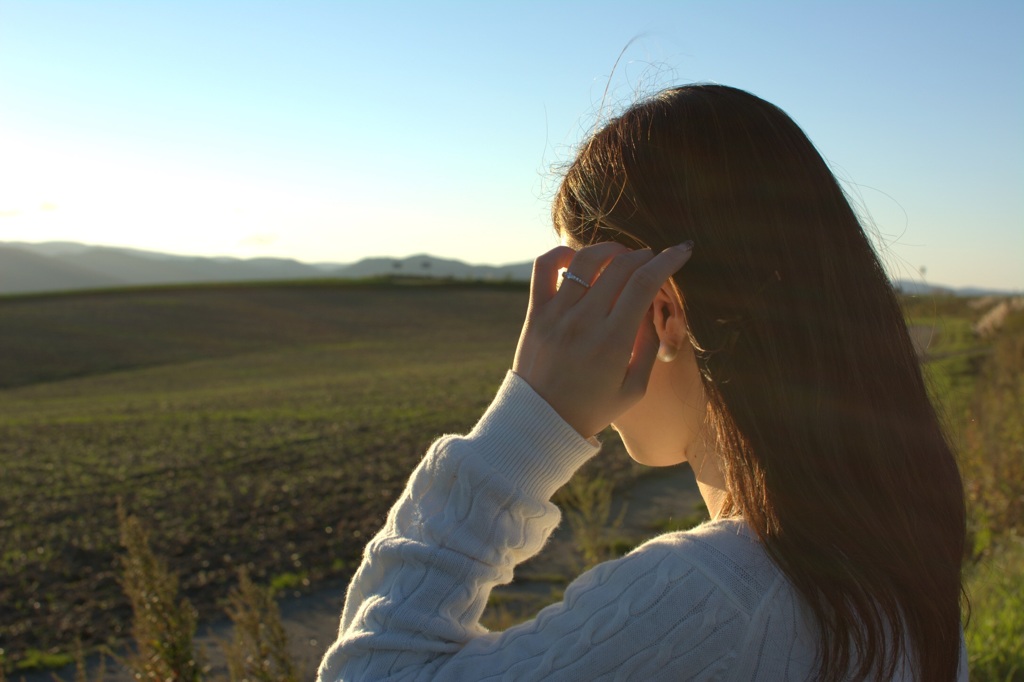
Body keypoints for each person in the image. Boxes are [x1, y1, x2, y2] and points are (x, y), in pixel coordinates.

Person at [318, 84, 967, 681]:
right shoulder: (893, 564)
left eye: (589, 297)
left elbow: (372, 668)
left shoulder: (708, 602)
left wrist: (529, 420)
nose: (571, 330)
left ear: (663, 311)